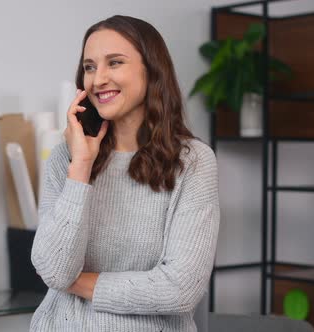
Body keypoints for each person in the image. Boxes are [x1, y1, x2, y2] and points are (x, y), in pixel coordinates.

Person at [30, 15, 220, 332]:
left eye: (114, 63)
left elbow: (180, 290)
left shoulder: (192, 162)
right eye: (89, 67)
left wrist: (79, 283)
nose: (98, 79)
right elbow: (54, 271)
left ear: (152, 70)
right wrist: (81, 168)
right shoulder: (67, 157)